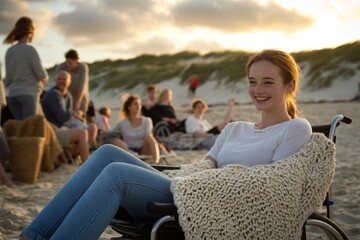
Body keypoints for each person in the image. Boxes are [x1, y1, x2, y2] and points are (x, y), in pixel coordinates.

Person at [20, 49, 312, 240]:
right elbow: (204, 164)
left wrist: (208, 182)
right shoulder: (235, 128)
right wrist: (189, 178)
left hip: (213, 200)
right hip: (192, 187)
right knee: (108, 152)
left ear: (289, 86)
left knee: (116, 175)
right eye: (252, 81)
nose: (257, 90)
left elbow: (276, 187)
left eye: (268, 82)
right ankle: (32, 236)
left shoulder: (295, 128)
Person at [3, 16, 48, 120]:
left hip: (13, 96)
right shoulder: (30, 50)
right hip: (28, 95)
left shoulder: (9, 51)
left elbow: (8, 79)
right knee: (30, 130)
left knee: (21, 130)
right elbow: (42, 75)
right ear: (31, 32)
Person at [41, 71, 97, 152]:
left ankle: (91, 151)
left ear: (69, 82)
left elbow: (68, 117)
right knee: (82, 132)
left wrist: (77, 117)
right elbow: (62, 117)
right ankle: (87, 161)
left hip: (66, 126)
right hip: (55, 129)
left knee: (92, 127)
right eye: (59, 79)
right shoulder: (53, 94)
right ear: (55, 80)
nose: (61, 81)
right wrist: (74, 113)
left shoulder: (68, 95)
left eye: (64, 79)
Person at [109, 95, 160, 164]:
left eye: (139, 104)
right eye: (135, 104)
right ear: (129, 107)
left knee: (149, 136)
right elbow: (110, 131)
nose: (138, 106)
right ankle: (132, 155)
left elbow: (149, 136)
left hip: (143, 149)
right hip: (128, 150)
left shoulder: (147, 120)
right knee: (115, 140)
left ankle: (156, 161)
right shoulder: (122, 122)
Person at [56, 49, 89, 116]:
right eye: (67, 62)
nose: (68, 65)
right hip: (68, 96)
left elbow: (82, 85)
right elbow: (58, 83)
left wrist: (78, 102)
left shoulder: (83, 67)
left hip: (81, 95)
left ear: (76, 60)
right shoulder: (62, 66)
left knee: (81, 115)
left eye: (70, 62)